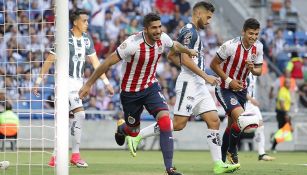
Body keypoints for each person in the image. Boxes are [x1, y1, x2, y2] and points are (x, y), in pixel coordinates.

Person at [122, 2, 240, 174]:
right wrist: (204, 75)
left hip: (198, 84)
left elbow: (171, 55)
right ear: (198, 13)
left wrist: (197, 75)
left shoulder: (194, 32)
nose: (208, 21)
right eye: (208, 17)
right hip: (189, 84)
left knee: (214, 120)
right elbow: (184, 59)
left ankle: (218, 164)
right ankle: (138, 136)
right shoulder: (189, 31)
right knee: (178, 124)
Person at [79, 12, 200, 175]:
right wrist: (88, 84)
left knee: (165, 121)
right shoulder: (132, 44)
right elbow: (107, 62)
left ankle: (169, 169)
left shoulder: (163, 38)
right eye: (154, 28)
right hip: (130, 93)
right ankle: (123, 127)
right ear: (145, 29)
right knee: (133, 131)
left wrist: (188, 50)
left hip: (150, 87)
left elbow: (175, 45)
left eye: (159, 27)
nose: (158, 31)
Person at [33, 9, 114, 168]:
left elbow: (96, 64)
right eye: (84, 21)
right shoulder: (64, 38)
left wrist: (106, 82)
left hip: (78, 84)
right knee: (77, 116)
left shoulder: (87, 40)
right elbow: (49, 60)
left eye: (87, 21)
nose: (87, 24)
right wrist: (38, 81)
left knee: (73, 118)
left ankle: (63, 156)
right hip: (64, 82)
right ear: (75, 22)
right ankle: (69, 155)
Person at [210, 18, 263, 164]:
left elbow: (259, 71)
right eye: (251, 33)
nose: (253, 37)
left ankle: (221, 160)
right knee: (242, 119)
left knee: (232, 125)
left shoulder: (258, 47)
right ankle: (232, 150)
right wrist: (229, 81)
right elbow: (213, 64)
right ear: (243, 32)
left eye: (256, 34)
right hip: (224, 87)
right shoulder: (230, 46)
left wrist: (253, 69)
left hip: (241, 90)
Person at [244, 73, 275, 161]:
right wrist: (251, 99)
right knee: (235, 128)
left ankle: (261, 154)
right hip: (242, 103)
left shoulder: (255, 73)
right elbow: (238, 89)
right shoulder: (243, 72)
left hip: (252, 105)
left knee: (261, 126)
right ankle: (227, 150)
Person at [271, 77, 292, 152]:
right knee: (283, 129)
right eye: (287, 82)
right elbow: (281, 103)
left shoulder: (287, 91)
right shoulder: (283, 90)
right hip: (282, 112)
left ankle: (274, 142)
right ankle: (274, 143)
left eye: (289, 82)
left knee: (284, 130)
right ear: (284, 83)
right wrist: (286, 114)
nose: (288, 84)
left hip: (284, 112)